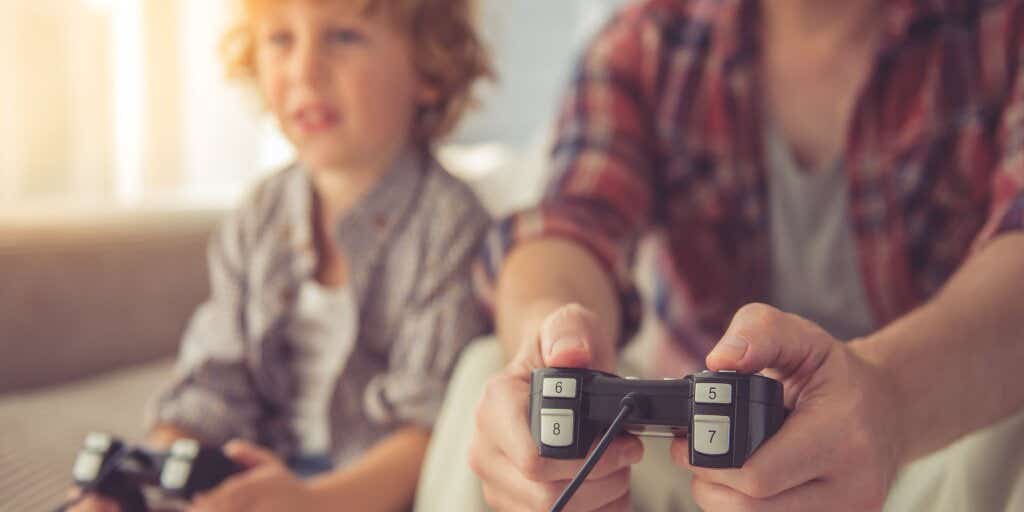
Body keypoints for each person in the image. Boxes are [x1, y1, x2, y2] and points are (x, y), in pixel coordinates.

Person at [414, 0, 1024, 511]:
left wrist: (889, 399)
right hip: (691, 468)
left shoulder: (1002, 33)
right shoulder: (650, 39)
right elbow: (570, 222)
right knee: (493, 379)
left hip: (926, 446)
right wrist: (549, 343)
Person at [70, 0, 492, 510]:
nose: (302, 70)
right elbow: (213, 389)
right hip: (258, 480)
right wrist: (152, 474)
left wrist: (311, 501)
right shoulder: (257, 215)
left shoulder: (451, 226)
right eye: (280, 39)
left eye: (343, 37)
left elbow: (428, 433)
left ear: (429, 68)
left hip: (361, 495)